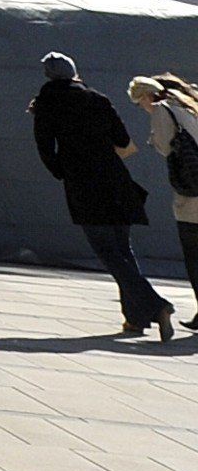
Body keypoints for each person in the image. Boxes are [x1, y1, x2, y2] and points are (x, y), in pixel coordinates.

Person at [31, 50, 172, 337]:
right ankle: (135, 318)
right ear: (74, 72)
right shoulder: (97, 98)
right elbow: (122, 139)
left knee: (107, 252)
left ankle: (157, 306)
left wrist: (62, 170)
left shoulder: (46, 104)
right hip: (115, 179)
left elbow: (45, 147)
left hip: (83, 184)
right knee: (122, 249)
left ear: (48, 76)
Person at [133, 73, 198, 324]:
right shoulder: (190, 106)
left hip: (192, 195)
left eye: (140, 102)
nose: (142, 107)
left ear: (148, 96)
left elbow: (164, 146)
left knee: (193, 255)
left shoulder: (162, 110)